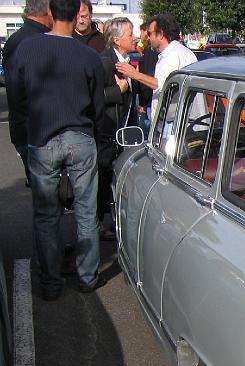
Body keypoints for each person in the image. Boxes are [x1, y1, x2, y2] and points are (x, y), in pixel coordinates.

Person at [8, 0, 105, 299]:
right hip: (80, 136)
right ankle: (87, 277)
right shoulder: (88, 56)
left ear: (50, 12)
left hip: (42, 137)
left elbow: (15, 96)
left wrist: (27, 130)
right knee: (86, 213)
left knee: (46, 214)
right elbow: (97, 105)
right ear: (77, 14)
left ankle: (51, 282)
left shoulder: (26, 49)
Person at [2, 0, 52, 185]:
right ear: (48, 11)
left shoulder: (15, 39)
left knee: (43, 194)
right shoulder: (39, 40)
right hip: (38, 131)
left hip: (24, 128)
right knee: (47, 196)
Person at [97, 17, 137, 242]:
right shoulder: (103, 62)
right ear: (116, 39)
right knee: (104, 181)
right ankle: (101, 223)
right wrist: (118, 90)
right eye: (130, 34)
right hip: (108, 133)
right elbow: (94, 97)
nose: (134, 38)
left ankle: (116, 220)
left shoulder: (128, 61)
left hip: (125, 132)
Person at [115, 14, 197, 116]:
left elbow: (162, 85)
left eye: (150, 34)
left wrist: (135, 74)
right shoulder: (173, 53)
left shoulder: (174, 55)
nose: (148, 38)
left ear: (161, 34)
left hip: (174, 121)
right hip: (175, 118)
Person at [135, 22, 157, 136]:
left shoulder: (150, 52)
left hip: (149, 102)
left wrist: (143, 103)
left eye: (142, 31)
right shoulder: (150, 51)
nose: (140, 35)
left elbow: (148, 77)